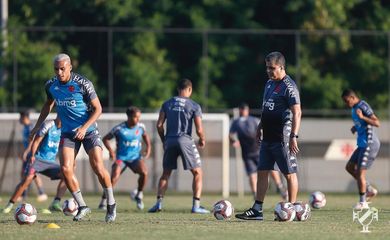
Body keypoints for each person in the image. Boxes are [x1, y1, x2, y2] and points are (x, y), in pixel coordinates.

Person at [29, 53, 116, 222]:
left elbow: (98, 109)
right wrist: (37, 126)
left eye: (62, 68)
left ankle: (111, 203)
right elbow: (48, 105)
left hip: (89, 130)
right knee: (66, 169)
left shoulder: (83, 84)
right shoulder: (50, 85)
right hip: (68, 133)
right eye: (56, 69)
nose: (59, 72)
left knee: (98, 167)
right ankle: (83, 206)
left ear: (70, 67)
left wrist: (84, 128)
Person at [236, 51, 301, 221]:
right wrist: (259, 127)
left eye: (272, 68)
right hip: (268, 136)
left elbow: (297, 112)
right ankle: (257, 210)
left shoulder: (289, 86)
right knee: (262, 171)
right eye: (267, 68)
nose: (269, 72)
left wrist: (294, 136)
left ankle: (291, 209)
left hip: (282, 137)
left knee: (289, 173)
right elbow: (266, 108)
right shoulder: (269, 84)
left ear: (281, 67)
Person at [148, 78, 209, 214]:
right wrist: (202, 139)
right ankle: (196, 206)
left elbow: (159, 125)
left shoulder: (167, 103)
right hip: (185, 140)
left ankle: (158, 204)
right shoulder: (194, 105)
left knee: (166, 173)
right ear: (190, 90)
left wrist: (164, 140)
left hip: (169, 140)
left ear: (177, 89)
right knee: (198, 172)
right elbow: (199, 129)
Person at [3, 117, 67, 213]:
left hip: (50, 163)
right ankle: (10, 205)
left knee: (68, 175)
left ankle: (55, 202)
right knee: (27, 179)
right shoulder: (49, 125)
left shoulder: (65, 129)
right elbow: (36, 141)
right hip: (38, 159)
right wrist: (32, 155)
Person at [229, 103, 287, 200]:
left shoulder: (254, 120)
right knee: (252, 174)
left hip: (260, 150)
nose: (243, 111)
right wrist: (233, 141)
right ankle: (255, 194)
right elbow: (230, 134)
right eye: (241, 109)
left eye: (244, 109)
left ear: (247, 110)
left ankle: (280, 187)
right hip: (247, 153)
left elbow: (263, 129)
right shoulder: (236, 122)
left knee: (271, 169)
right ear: (239, 110)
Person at [98, 106, 151, 210]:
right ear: (129, 117)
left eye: (139, 117)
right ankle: (104, 201)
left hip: (135, 158)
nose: (138, 119)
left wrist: (148, 150)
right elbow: (105, 139)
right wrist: (111, 151)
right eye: (136, 117)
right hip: (121, 158)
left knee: (144, 172)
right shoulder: (119, 129)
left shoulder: (141, 127)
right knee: (113, 178)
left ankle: (139, 195)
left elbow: (146, 138)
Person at [341, 89, 380, 209]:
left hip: (369, 143)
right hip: (362, 144)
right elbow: (362, 124)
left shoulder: (363, 106)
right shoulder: (354, 108)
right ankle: (368, 189)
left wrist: (362, 117)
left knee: (360, 172)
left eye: (347, 101)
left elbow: (376, 122)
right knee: (349, 167)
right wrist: (355, 127)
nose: (347, 104)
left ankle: (363, 202)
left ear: (353, 98)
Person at [19, 111, 48, 202]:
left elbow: (32, 141)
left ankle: (42, 193)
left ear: (25, 117)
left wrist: (27, 152)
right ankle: (23, 194)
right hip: (27, 154)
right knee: (24, 173)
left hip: (31, 154)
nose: (19, 120)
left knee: (33, 173)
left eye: (20, 118)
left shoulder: (30, 128)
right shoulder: (25, 128)